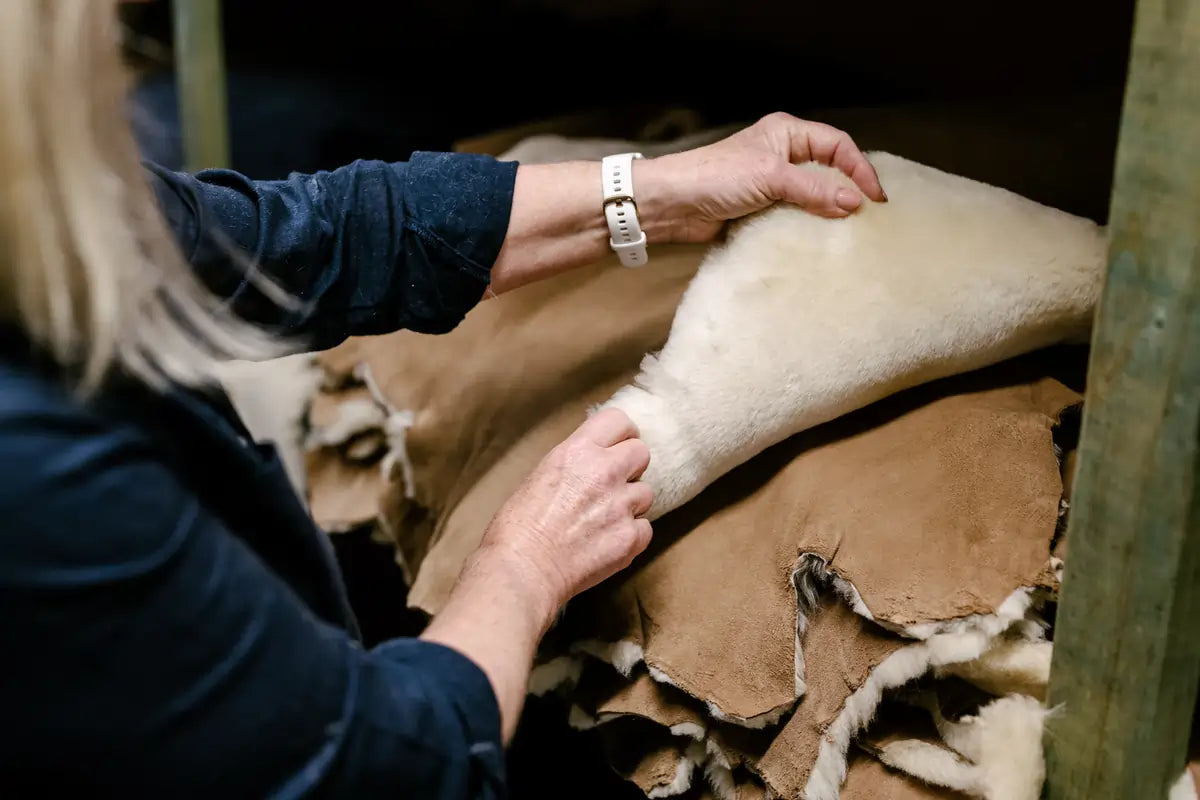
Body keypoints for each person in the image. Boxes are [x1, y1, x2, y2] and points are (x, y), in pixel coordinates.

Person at [0, 2, 886, 798]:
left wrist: (657, 192)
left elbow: (304, 240)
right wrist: (524, 562)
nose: (122, 44)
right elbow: (382, 768)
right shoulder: (32, 469)